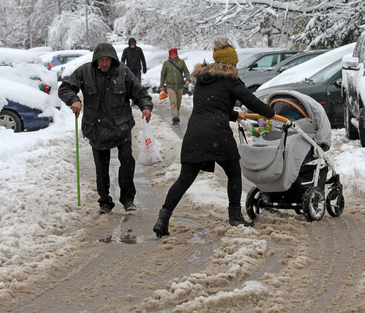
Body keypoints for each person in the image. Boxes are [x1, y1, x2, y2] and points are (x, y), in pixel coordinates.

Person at [153, 36, 275, 238]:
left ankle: (163, 217)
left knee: (184, 179)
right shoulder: (230, 79)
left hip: (195, 132)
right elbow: (250, 99)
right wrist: (269, 113)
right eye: (234, 62)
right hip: (217, 132)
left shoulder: (203, 79)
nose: (236, 66)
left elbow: (212, 106)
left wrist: (235, 115)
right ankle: (235, 217)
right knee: (234, 172)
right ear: (230, 63)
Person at [58, 43, 154, 214]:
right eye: (100, 60)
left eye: (107, 60)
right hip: (96, 128)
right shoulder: (85, 72)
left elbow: (140, 93)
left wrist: (145, 106)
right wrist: (74, 100)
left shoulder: (123, 72)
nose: (103, 63)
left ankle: (127, 199)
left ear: (112, 60)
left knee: (127, 162)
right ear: (96, 60)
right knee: (101, 167)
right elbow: (65, 87)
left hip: (121, 126)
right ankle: (105, 201)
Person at [159, 48, 190, 125]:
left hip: (179, 85)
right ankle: (174, 116)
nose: (174, 56)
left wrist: (187, 79)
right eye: (172, 55)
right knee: (173, 101)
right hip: (170, 85)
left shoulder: (181, 62)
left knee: (178, 101)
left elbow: (186, 71)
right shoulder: (166, 63)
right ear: (170, 55)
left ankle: (176, 114)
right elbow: (163, 75)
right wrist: (162, 85)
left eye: (175, 54)